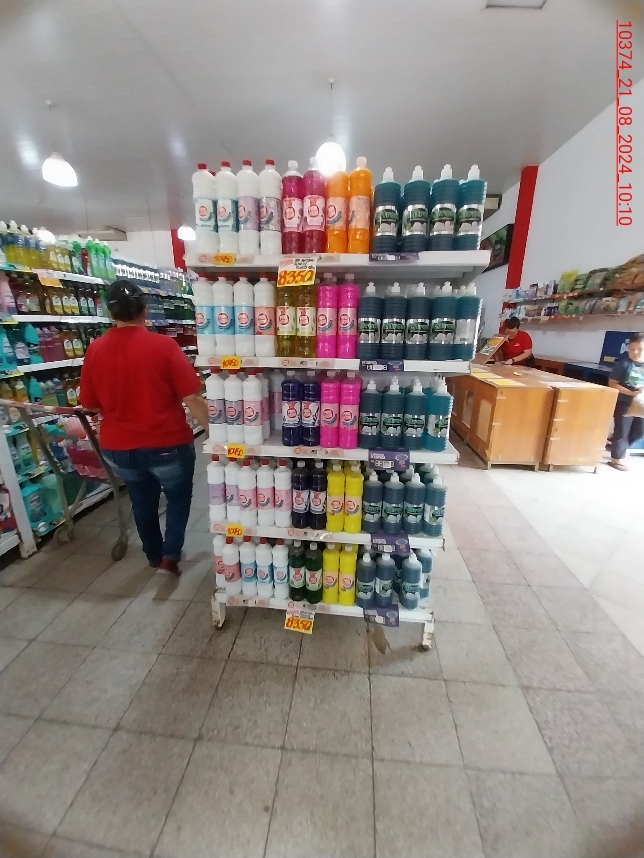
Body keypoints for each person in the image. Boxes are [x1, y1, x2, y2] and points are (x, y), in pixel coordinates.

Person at [80, 279, 209, 574]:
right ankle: (170, 555)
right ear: (145, 309)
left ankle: (152, 554)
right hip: (167, 443)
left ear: (110, 312)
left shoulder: (95, 349)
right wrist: (216, 434)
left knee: (141, 499)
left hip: (119, 447)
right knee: (178, 497)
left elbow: (90, 404)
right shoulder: (164, 346)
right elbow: (192, 396)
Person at [607, 333, 644, 471]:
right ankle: (616, 459)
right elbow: (612, 383)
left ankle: (616, 444)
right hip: (624, 402)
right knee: (622, 430)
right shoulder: (623, 364)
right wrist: (631, 393)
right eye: (632, 349)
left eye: (640, 349)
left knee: (639, 432)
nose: (635, 352)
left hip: (641, 404)